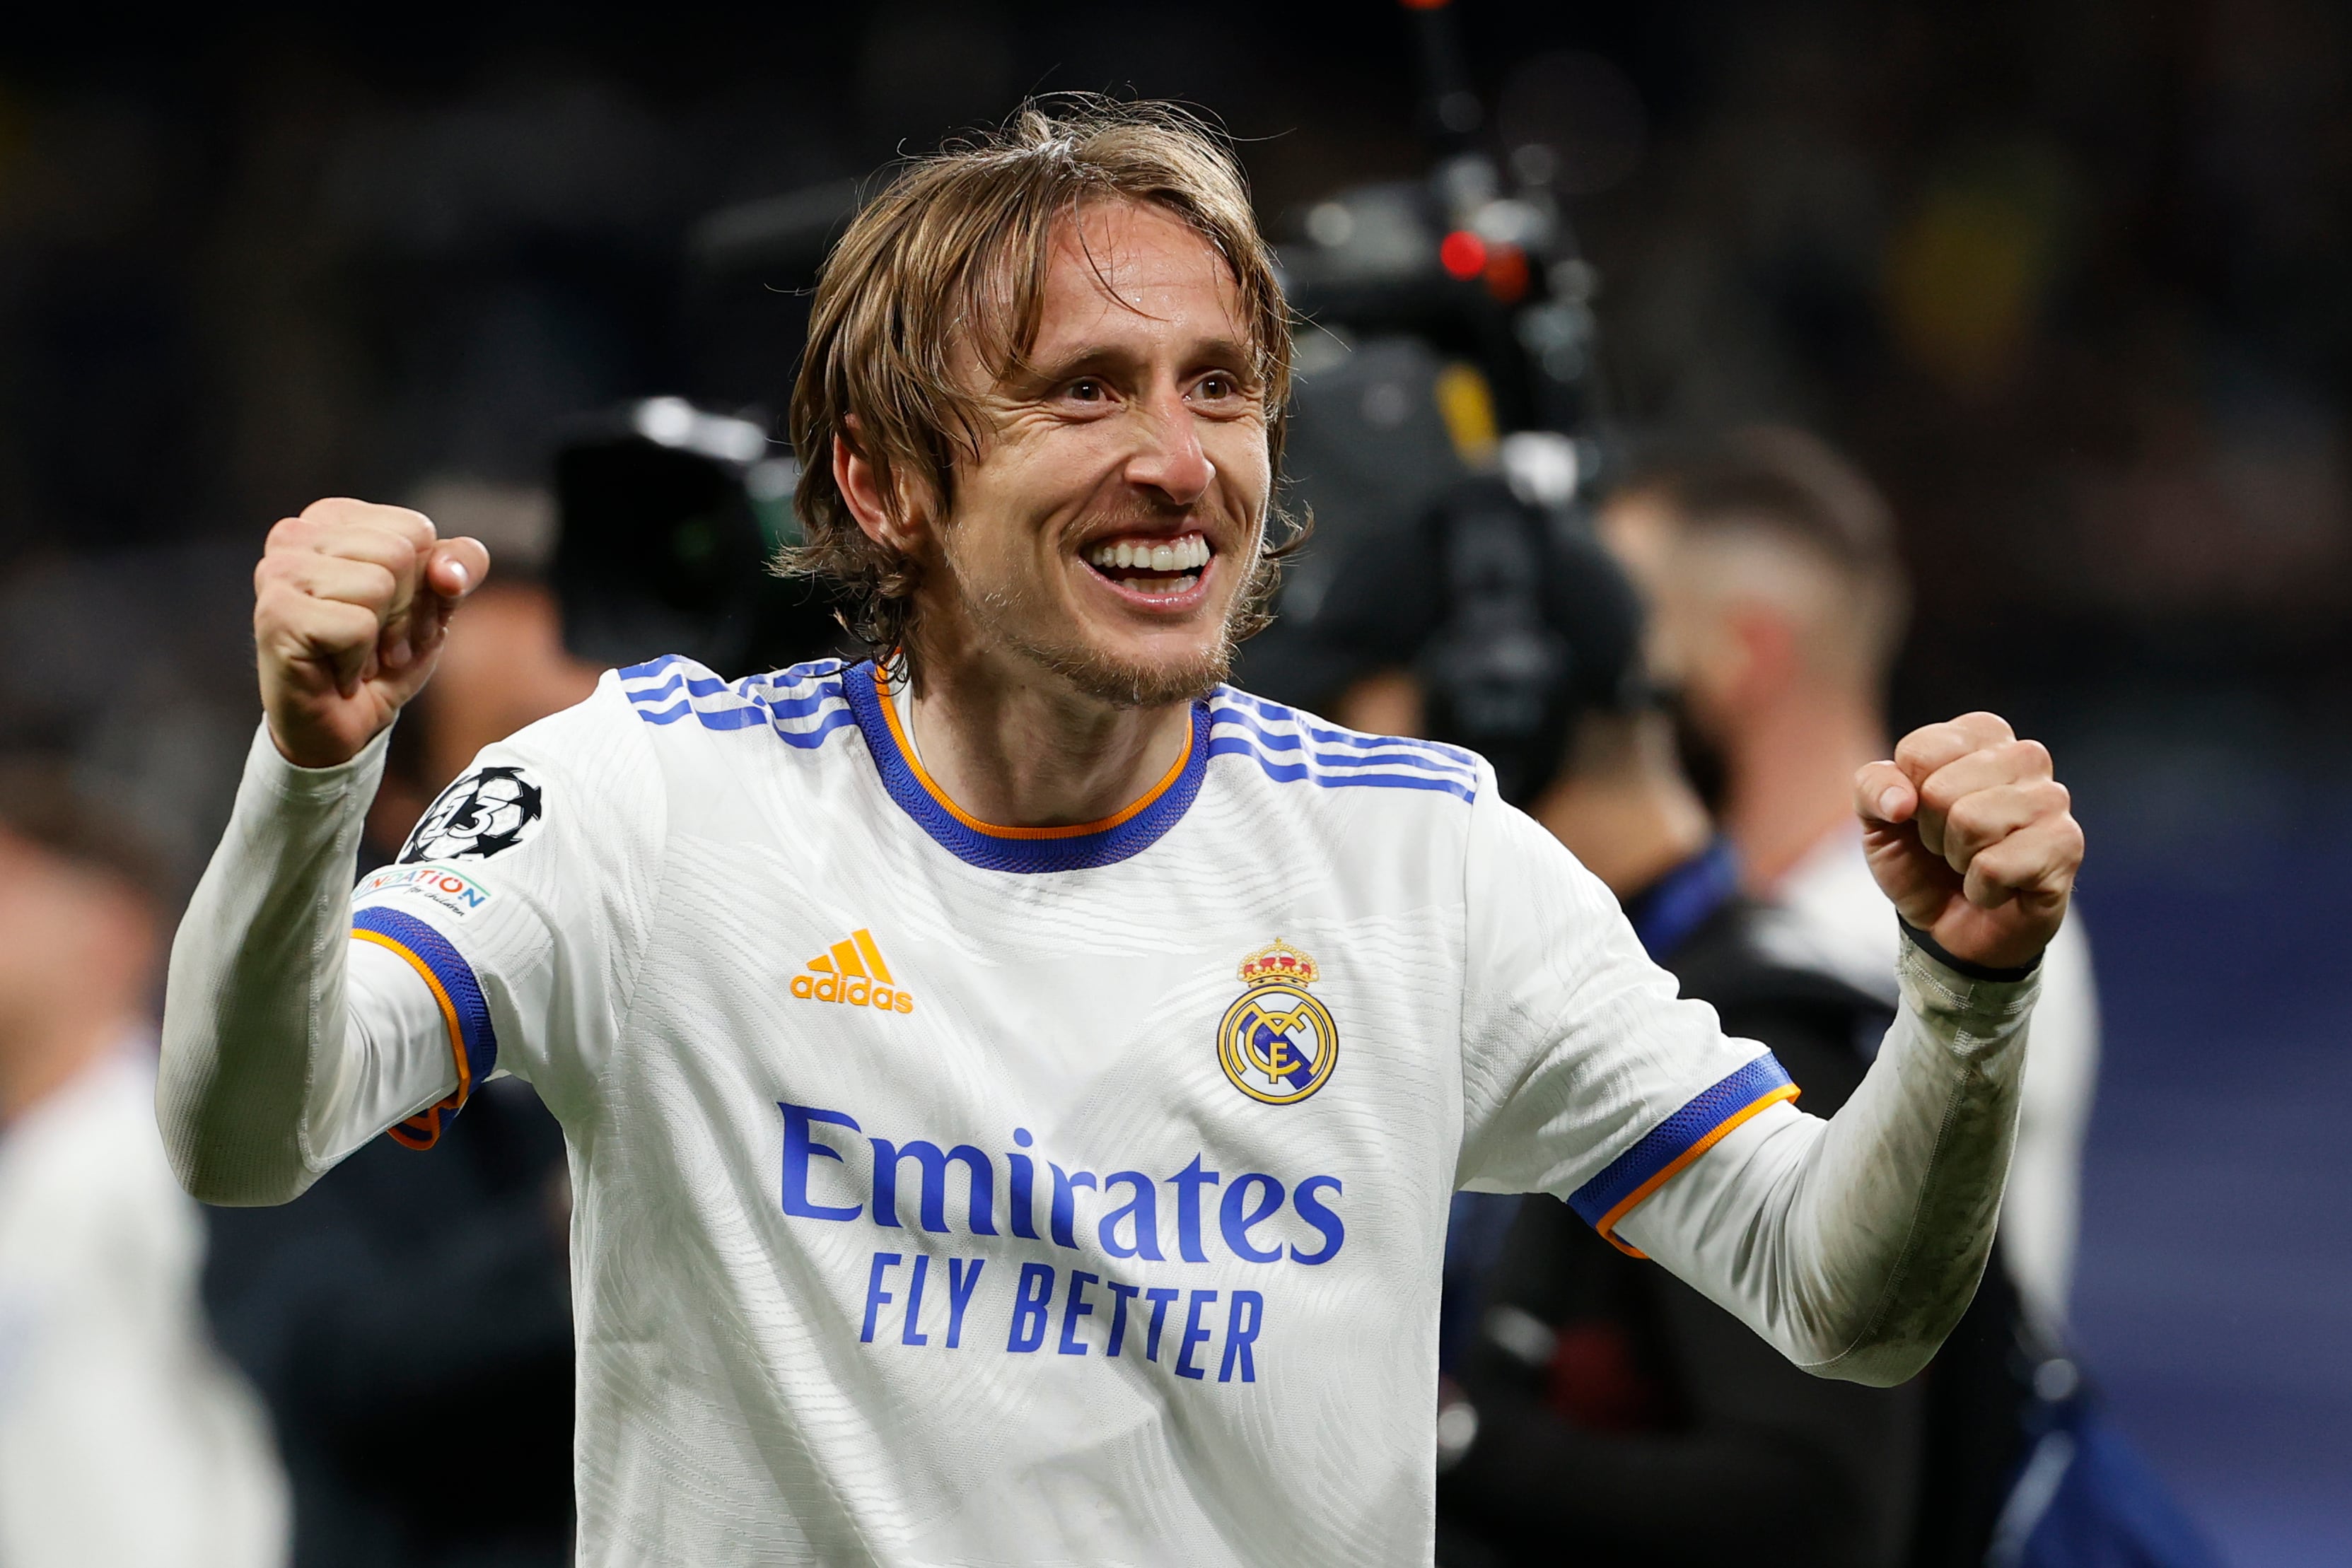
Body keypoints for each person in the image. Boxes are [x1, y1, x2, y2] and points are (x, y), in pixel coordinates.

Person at [156, 101, 2083, 1566]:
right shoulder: (648, 802)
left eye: (1219, 388)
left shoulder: (1423, 863)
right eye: (1084, 391)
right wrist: (312, 772)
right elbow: (246, 1132)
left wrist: (1965, 1001)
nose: (1179, 461)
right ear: (882, 478)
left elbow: (1844, 1298)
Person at [1595, 428, 2100, 1339]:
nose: (1595, 673)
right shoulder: (1715, 909)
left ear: (1744, 649)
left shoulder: (1917, 937)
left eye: (1623, 622)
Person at [200, 559, 597, 1568]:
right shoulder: (310, 1030)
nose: (593, 792)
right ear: (411, 804)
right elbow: (326, 1358)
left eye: (604, 739)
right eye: (523, 748)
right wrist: (582, 1222)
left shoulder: (717, 995)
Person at [0, 758, 289, 1568]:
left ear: (113, 929)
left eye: (10, 885)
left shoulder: (176, 1149)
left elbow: (270, 1426)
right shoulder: (37, 1165)